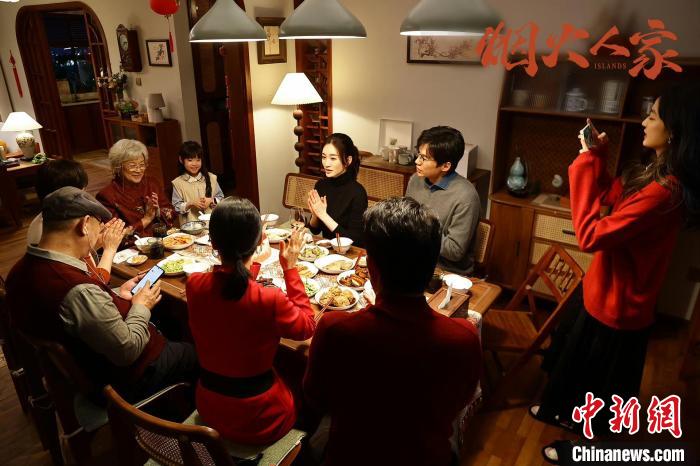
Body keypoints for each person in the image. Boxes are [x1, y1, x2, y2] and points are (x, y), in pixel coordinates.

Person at [531, 84, 700, 464]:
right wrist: (598, 155)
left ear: (674, 130)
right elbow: (610, 194)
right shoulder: (653, 171)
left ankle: (584, 451)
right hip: (601, 288)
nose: (644, 122)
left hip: (619, 306)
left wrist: (586, 163)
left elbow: (590, 235)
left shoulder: (664, 191)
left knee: (598, 386)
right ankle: (559, 411)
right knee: (572, 361)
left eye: (652, 116)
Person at [303, 197, 482, 466]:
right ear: (433, 265)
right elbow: (461, 401)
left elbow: (315, 397)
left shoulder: (335, 329)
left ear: (371, 267)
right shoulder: (463, 337)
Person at [6, 187, 197, 401]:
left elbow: (83, 307)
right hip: (126, 377)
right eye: (99, 226)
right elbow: (128, 350)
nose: (101, 235)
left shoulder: (18, 271)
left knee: (166, 316)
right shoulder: (74, 288)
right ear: (84, 224)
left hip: (87, 361)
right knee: (193, 353)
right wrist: (141, 306)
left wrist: (116, 293)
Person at [186, 197, 315, 445]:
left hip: (210, 408)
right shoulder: (269, 298)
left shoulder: (194, 285)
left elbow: (231, 290)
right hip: (260, 418)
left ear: (212, 241)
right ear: (259, 241)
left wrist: (253, 265)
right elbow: (307, 327)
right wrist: (290, 269)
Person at [27, 159, 126, 284]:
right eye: (82, 192)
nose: (85, 196)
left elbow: (77, 257)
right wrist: (109, 249)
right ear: (67, 194)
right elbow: (93, 283)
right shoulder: (53, 229)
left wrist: (94, 240)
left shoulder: (48, 219)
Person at [405, 126, 480, 275]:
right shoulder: (416, 180)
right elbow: (405, 219)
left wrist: (419, 229)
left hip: (444, 271)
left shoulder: (466, 196)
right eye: (418, 155)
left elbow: (455, 250)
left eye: (424, 158)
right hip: (412, 259)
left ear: (445, 166)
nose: (417, 161)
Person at [97, 139, 174, 235]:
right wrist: (146, 220)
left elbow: (171, 212)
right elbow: (114, 234)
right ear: (118, 166)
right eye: (132, 166)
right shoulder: (107, 195)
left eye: (142, 165)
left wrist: (158, 211)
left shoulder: (152, 184)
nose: (138, 170)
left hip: (162, 238)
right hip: (133, 244)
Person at [307, 133, 368, 246]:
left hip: (348, 253)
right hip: (326, 250)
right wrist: (315, 214)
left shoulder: (358, 193)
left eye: (333, 158)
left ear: (348, 160)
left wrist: (323, 215)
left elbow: (355, 241)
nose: (326, 164)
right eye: (324, 157)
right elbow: (314, 230)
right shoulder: (321, 185)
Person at [171, 141, 224, 224]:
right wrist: (191, 203)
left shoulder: (212, 178)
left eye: (198, 160)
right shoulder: (178, 183)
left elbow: (221, 198)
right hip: (191, 227)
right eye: (190, 160)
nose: (194, 164)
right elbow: (176, 207)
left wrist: (211, 200)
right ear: (181, 160)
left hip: (212, 224)